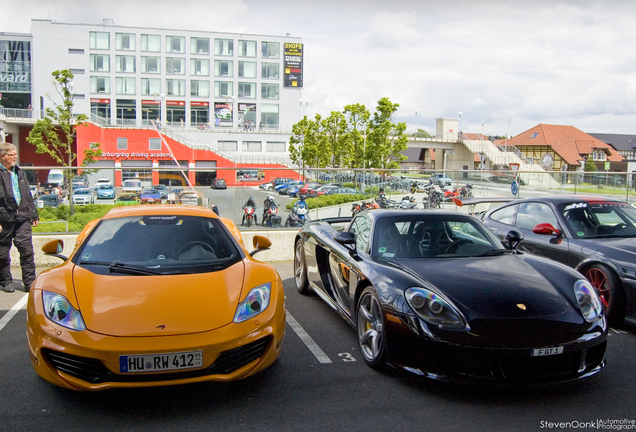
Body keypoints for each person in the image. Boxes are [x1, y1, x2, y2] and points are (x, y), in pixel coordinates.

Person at [0, 143, 39, 293]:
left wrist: (34, 214)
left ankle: (30, 282)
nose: (15, 157)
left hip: (22, 217)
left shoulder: (19, 172)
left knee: (26, 250)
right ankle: (5, 281)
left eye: (15, 154)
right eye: (12, 154)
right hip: (5, 217)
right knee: (3, 252)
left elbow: (27, 195)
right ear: (3, 156)